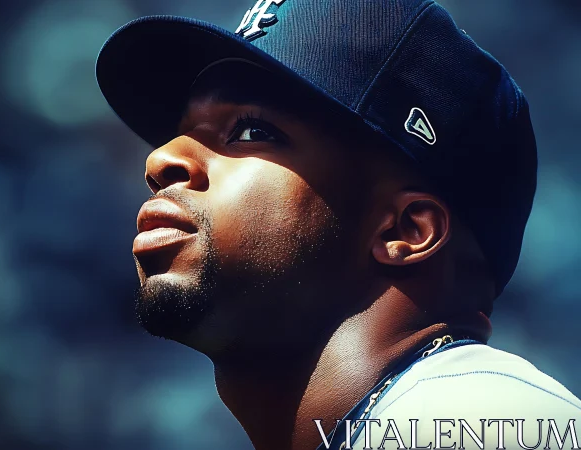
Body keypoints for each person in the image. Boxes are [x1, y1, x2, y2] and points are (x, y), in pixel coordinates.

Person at [96, 1, 581, 449]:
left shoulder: (484, 423)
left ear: (406, 230)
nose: (161, 159)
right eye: (178, 132)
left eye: (252, 132)